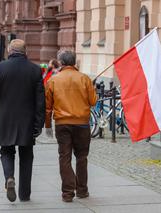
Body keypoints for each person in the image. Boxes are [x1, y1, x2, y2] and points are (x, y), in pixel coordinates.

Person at [0, 39, 45, 202]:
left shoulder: (0, 68)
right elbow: (41, 100)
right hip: (27, 119)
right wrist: (39, 124)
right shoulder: (35, 70)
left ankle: (9, 178)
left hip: (7, 118)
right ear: (25, 52)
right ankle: (24, 194)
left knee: (6, 151)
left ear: (10, 51)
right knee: (26, 155)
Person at [45, 50, 97, 202]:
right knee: (82, 157)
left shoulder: (53, 80)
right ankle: (82, 190)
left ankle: (67, 192)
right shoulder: (84, 79)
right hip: (82, 123)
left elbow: (48, 107)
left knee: (64, 157)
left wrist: (48, 125)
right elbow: (93, 101)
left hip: (62, 123)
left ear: (60, 63)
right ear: (74, 62)